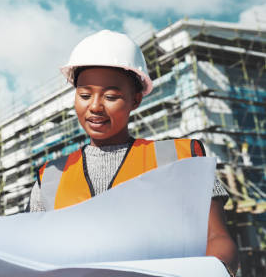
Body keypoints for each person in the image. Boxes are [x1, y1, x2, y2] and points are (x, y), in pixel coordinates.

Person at [29, 30, 238, 276]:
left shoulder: (182, 158)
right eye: (84, 95)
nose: (95, 106)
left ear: (135, 100)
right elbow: (35, 256)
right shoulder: (50, 177)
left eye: (111, 96)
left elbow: (217, 237)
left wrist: (218, 269)